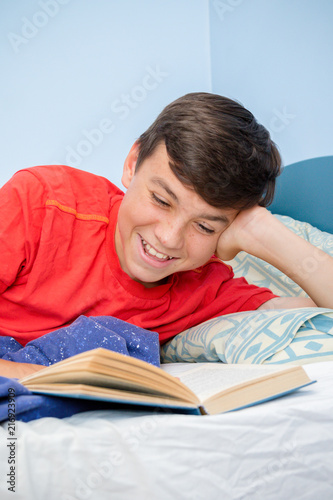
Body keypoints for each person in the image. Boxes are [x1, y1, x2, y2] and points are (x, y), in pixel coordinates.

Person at [1, 92, 332, 378]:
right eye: (161, 200)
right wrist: (49, 379)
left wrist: (267, 234)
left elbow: (316, 317)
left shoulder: (205, 286)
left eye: (204, 227)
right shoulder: (41, 203)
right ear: (132, 164)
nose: (169, 238)